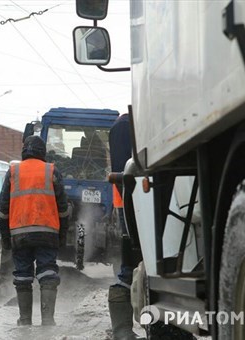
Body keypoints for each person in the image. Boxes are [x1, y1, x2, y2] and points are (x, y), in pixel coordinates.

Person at [0, 135, 69, 326]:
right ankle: (48, 321)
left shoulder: (13, 171)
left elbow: (3, 209)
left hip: (19, 233)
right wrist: (62, 236)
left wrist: (5, 238)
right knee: (48, 273)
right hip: (47, 231)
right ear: (42, 152)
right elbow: (63, 209)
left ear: (24, 151)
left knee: (22, 276)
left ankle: (25, 321)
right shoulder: (51, 171)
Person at [108, 113, 141, 339]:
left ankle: (122, 331)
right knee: (132, 259)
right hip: (130, 200)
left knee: (134, 260)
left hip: (131, 199)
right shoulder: (125, 124)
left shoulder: (123, 124)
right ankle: (122, 332)